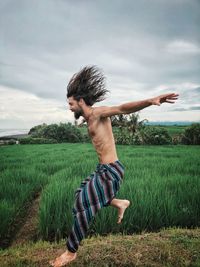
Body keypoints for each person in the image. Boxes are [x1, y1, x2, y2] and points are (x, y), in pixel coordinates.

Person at [49, 65, 179, 266]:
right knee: (79, 194)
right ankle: (119, 202)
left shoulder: (98, 113)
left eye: (70, 103)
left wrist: (150, 101)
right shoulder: (87, 119)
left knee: (83, 206)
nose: (69, 107)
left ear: (80, 101)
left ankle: (71, 251)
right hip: (102, 170)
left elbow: (122, 108)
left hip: (111, 172)